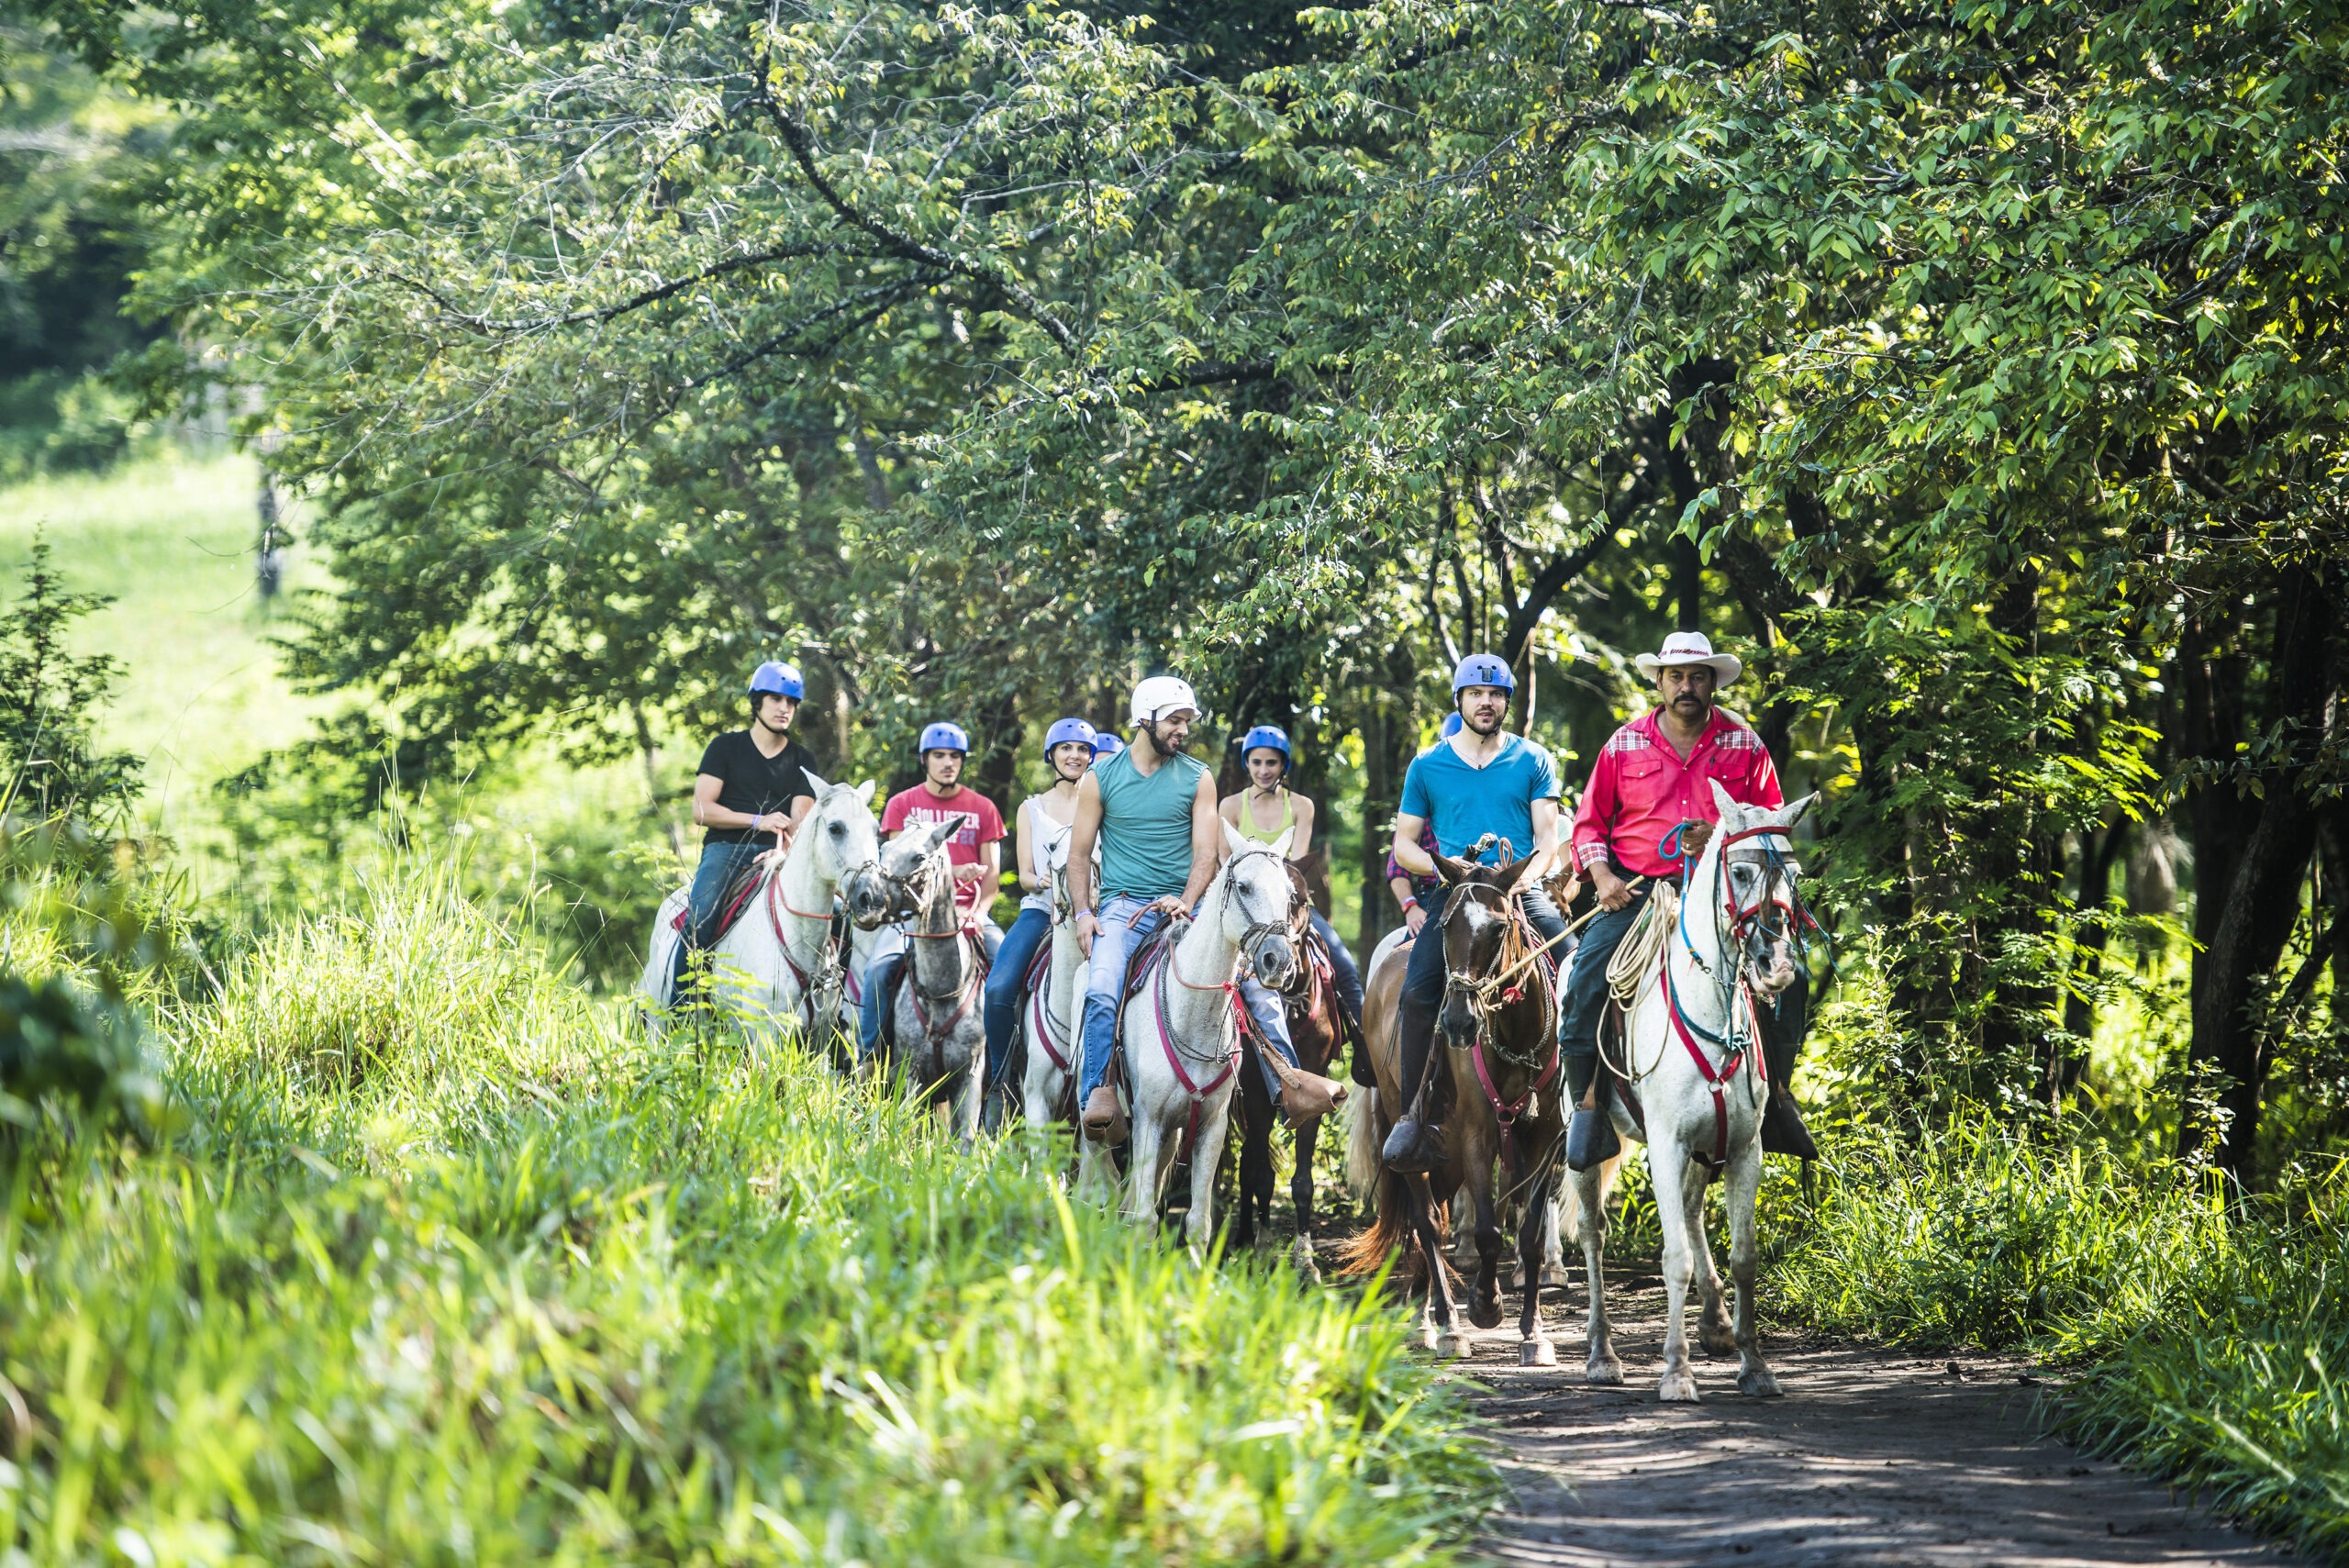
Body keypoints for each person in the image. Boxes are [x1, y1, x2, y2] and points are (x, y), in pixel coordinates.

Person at [1562, 630, 1816, 1160]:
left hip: (1727, 895)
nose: (1686, 687)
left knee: (1791, 976)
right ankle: (1587, 1105)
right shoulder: (1622, 744)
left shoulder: (1745, 745)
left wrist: (1721, 834)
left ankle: (1776, 1097)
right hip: (1640, 893)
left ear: (1712, 684)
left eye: (1697, 677)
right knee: (1585, 978)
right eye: (1676, 676)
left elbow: (1771, 824)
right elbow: (1588, 826)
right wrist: (1603, 878)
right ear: (1659, 682)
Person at [1067, 677, 1348, 1141]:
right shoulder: (1101, 778)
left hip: (1187, 906)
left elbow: (1204, 854)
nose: (1183, 729)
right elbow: (1078, 855)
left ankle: (1289, 1083)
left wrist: (1186, 900)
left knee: (1254, 985)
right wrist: (1083, 913)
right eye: (1174, 720)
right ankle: (1098, 1093)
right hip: (1122, 908)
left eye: (1186, 721)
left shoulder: (1198, 777)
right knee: (1100, 988)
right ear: (1145, 718)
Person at [1381, 654, 1579, 1173]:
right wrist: (1446, 867)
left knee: (1576, 970)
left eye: (1495, 695)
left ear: (1507, 702)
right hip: (1456, 894)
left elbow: (1547, 838)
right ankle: (1416, 1118)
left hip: (1516, 890)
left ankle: (1586, 1106)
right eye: (1475, 694)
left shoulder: (1533, 759)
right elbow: (1404, 845)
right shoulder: (1427, 765)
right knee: (1416, 992)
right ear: (1460, 700)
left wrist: (1525, 880)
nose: (1485, 702)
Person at [671, 661, 822, 1003]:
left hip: (780, 854)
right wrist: (758, 820)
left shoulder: (803, 759)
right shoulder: (725, 747)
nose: (785, 708)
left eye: (791, 702)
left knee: (837, 916)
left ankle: (836, 1012)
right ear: (757, 702)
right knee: (700, 919)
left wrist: (784, 853)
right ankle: (681, 1012)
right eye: (776, 699)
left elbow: (799, 822)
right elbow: (702, 810)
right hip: (726, 848)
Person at [858, 722, 1008, 1059]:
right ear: (924, 760)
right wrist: (955, 871)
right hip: (910, 915)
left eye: (955, 756)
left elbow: (992, 876)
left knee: (1007, 970)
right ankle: (869, 1059)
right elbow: (896, 867)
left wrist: (979, 914)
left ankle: (1007, 1064)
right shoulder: (902, 804)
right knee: (879, 969)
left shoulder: (983, 808)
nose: (948, 762)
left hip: (968, 914)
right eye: (939, 755)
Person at [1217, 724, 1364, 1035]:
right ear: (1247, 764)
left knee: (1346, 968)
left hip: (1287, 902)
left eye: (1271, 762)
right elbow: (1223, 861)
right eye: (1256, 762)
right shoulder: (1230, 806)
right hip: (1243, 906)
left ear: (1283, 764)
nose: (1263, 770)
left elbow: (1294, 867)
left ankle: (1362, 1041)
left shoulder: (1300, 806)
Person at [980, 717, 1096, 1099]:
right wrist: (1044, 881)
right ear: (1051, 754)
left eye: (1082, 749)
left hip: (1091, 914)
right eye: (1066, 748)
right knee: (998, 989)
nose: (1074, 755)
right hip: (1041, 911)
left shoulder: (1101, 806)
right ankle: (1001, 1080)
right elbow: (1025, 875)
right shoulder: (1031, 808)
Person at [1385, 713, 1461, 937]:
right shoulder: (1424, 802)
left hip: (1487, 889)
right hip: (1434, 894)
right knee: (1408, 956)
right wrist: (1410, 906)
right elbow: (1397, 867)